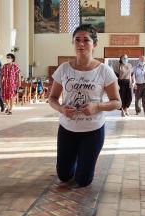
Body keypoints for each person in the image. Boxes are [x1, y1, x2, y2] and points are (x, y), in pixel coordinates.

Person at [48, 24, 121, 188]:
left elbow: (117, 102)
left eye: (86, 40)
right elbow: (52, 98)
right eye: (77, 40)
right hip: (67, 129)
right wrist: (61, 109)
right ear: (73, 43)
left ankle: (84, 164)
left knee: (83, 181)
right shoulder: (64, 69)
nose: (81, 44)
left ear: (94, 44)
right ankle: (73, 161)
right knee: (64, 176)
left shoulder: (104, 71)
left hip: (93, 130)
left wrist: (98, 107)